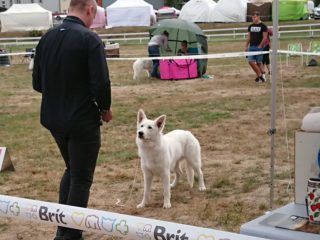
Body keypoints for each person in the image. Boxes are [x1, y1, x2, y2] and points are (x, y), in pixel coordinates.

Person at [32, 0, 112, 239]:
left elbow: (37, 84)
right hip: (81, 121)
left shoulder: (46, 38)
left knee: (73, 171)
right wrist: (105, 109)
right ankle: (70, 235)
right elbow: (101, 83)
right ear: (90, 10)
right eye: (94, 14)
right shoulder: (90, 40)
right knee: (81, 178)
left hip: (53, 118)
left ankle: (62, 230)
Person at [245, 11, 268, 83]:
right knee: (250, 61)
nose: (253, 19)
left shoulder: (263, 26)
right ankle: (260, 75)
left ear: (258, 17)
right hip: (251, 47)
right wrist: (246, 46)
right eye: (252, 17)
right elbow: (248, 37)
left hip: (259, 47)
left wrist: (260, 46)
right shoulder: (250, 26)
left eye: (254, 17)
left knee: (259, 63)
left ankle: (261, 76)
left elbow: (265, 38)